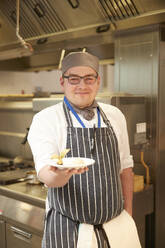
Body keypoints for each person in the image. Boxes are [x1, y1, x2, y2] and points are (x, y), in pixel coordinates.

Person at [28, 52, 141, 248]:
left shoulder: (115, 115)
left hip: (115, 228)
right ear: (62, 82)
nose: (82, 86)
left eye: (89, 79)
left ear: (98, 82)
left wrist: (128, 214)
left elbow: (126, 168)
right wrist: (62, 174)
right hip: (68, 228)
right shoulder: (46, 119)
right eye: (74, 79)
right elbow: (46, 175)